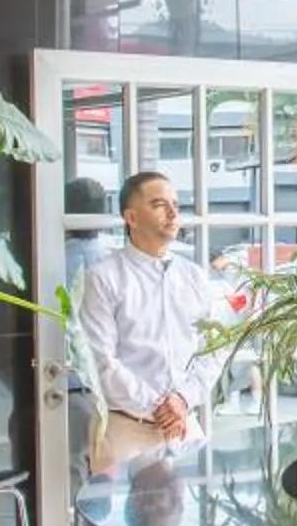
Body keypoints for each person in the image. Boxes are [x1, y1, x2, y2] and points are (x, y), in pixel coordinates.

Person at [74, 170, 223, 469]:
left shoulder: (194, 277)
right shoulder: (104, 277)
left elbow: (214, 349)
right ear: (131, 217)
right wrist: (159, 406)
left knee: (198, 514)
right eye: (158, 204)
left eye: (175, 205)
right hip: (126, 431)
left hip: (184, 427)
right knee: (111, 516)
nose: (171, 213)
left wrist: (181, 400)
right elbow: (101, 361)